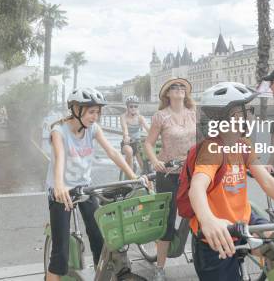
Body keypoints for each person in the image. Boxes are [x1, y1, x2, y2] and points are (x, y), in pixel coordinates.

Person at [189, 82, 274, 280]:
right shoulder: (212, 150)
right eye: (246, 112)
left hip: (244, 219)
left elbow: (267, 182)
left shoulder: (243, 145)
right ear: (230, 118)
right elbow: (196, 188)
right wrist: (208, 221)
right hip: (216, 234)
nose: (249, 116)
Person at [45, 87, 145, 281]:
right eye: (92, 112)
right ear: (75, 109)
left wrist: (134, 175)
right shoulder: (59, 131)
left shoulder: (93, 129)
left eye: (98, 112)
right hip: (62, 192)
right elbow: (60, 158)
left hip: (84, 187)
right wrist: (59, 185)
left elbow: (113, 153)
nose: (95, 117)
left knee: (100, 239)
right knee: (60, 255)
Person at [144, 78, 196, 281]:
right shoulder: (161, 116)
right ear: (167, 94)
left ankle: (201, 254)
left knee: (201, 213)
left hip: (192, 172)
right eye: (175, 87)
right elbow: (149, 143)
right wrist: (155, 160)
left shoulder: (194, 114)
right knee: (167, 220)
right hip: (168, 174)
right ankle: (160, 267)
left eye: (182, 87)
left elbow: (204, 139)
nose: (180, 89)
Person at [120, 95, 150, 169]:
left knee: (143, 163)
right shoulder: (123, 117)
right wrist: (126, 137)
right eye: (131, 106)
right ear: (127, 107)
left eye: (135, 106)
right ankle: (130, 176)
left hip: (137, 142)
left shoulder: (140, 118)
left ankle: (144, 175)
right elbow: (125, 129)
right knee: (129, 152)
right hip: (127, 142)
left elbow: (149, 129)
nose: (133, 108)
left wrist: (157, 134)